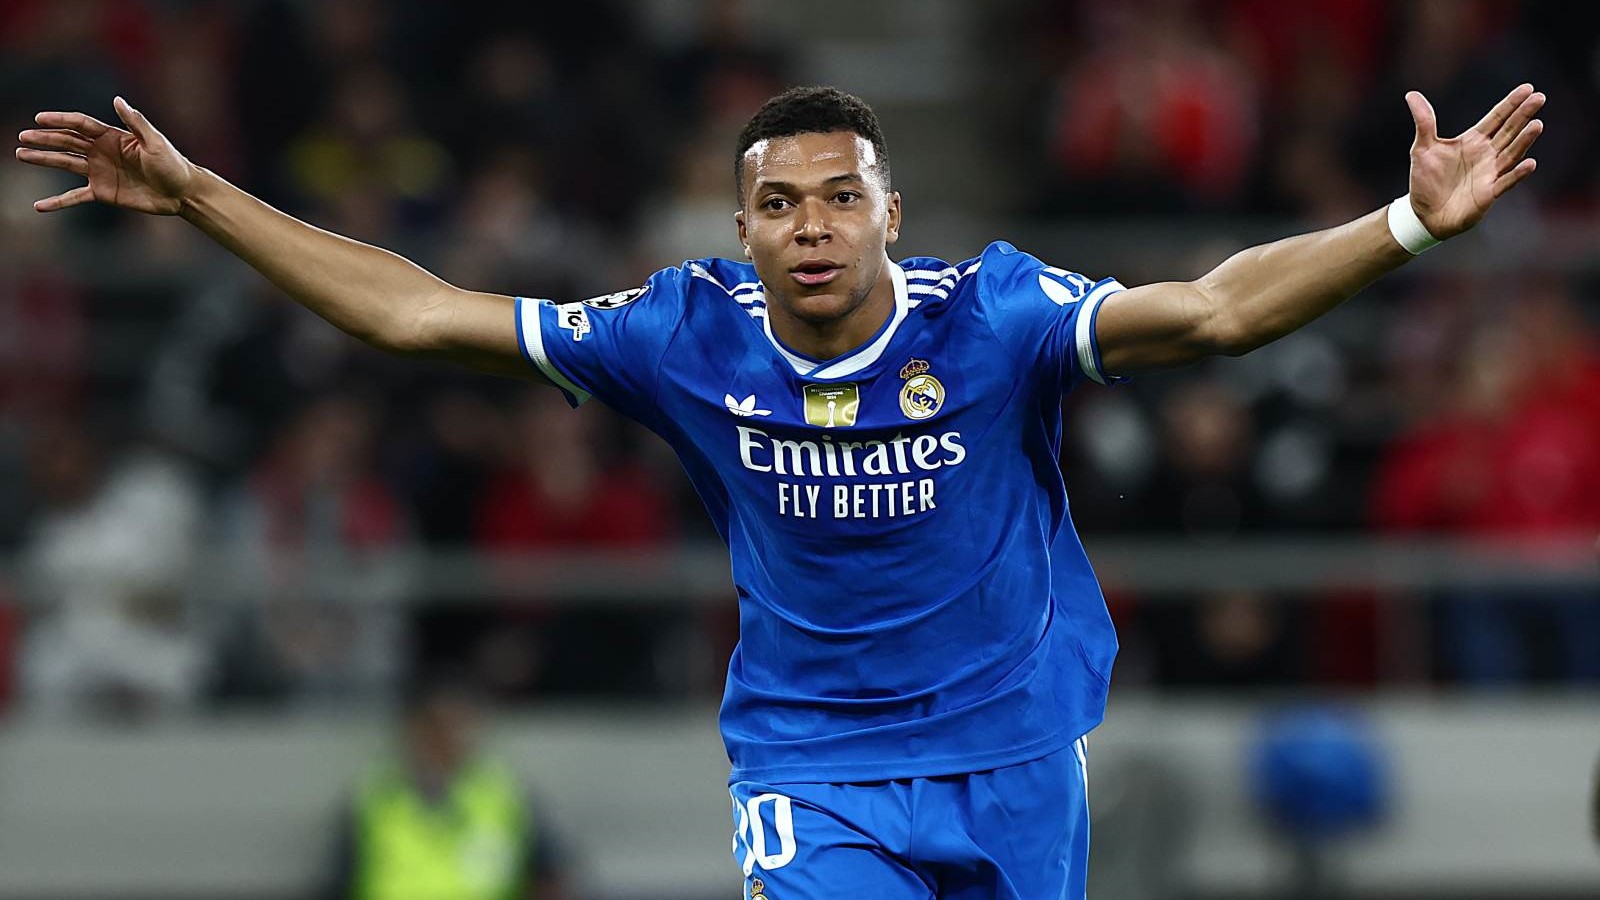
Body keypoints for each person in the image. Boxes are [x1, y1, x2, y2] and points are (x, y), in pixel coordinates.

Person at [15, 80, 1543, 898]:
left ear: (891, 214)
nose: (811, 226)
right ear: (739, 230)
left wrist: (1404, 229)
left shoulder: (993, 316)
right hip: (813, 765)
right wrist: (202, 197)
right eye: (776, 203)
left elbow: (1209, 313)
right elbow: (417, 315)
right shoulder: (678, 335)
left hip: (1016, 746)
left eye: (838, 198)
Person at [323, 678, 568, 900]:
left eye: (459, 726)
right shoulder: (374, 798)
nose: (448, 738)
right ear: (414, 730)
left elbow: (549, 877)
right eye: (436, 726)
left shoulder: (507, 796)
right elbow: (341, 882)